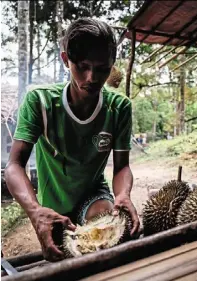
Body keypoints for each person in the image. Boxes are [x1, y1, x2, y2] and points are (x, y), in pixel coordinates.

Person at [5, 18, 140, 262]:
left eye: (102, 69)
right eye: (82, 66)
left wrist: (123, 194)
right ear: (66, 60)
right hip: (53, 203)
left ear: (112, 64)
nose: (91, 77)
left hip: (93, 194)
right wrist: (35, 211)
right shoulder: (41, 102)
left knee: (107, 239)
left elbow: (122, 166)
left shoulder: (119, 108)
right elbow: (14, 166)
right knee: (62, 260)